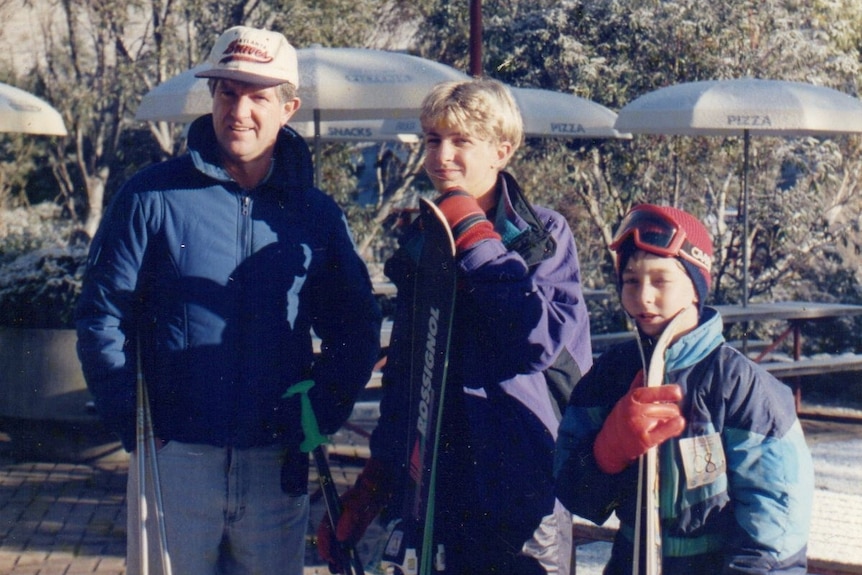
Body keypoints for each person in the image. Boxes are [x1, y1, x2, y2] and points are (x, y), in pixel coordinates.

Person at [75, 26, 382, 575]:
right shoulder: (149, 196)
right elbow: (102, 315)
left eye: (258, 96)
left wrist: (317, 415)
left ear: (288, 107)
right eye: (227, 92)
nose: (239, 110)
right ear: (212, 97)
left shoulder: (316, 215)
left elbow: (357, 330)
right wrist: (138, 426)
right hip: (175, 461)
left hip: (275, 466)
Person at [317, 78, 593, 574]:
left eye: (461, 141)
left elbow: (535, 343)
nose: (442, 156)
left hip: (524, 485)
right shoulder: (424, 240)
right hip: (437, 486)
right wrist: (374, 484)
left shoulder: (542, 235)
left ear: (501, 151)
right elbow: (405, 373)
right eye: (433, 140)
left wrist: (476, 237)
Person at [554, 204, 815, 574]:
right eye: (631, 281)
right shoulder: (611, 375)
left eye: (661, 281)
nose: (643, 297)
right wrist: (606, 453)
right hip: (633, 560)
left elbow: (776, 516)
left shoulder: (739, 386)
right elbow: (574, 491)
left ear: (695, 286)